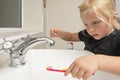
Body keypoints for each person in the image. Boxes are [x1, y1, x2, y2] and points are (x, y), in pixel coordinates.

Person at [50, 0, 120, 80]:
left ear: (112, 18)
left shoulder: (117, 38)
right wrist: (61, 33)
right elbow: (71, 37)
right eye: (86, 24)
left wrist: (97, 60)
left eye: (95, 22)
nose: (90, 29)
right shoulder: (88, 34)